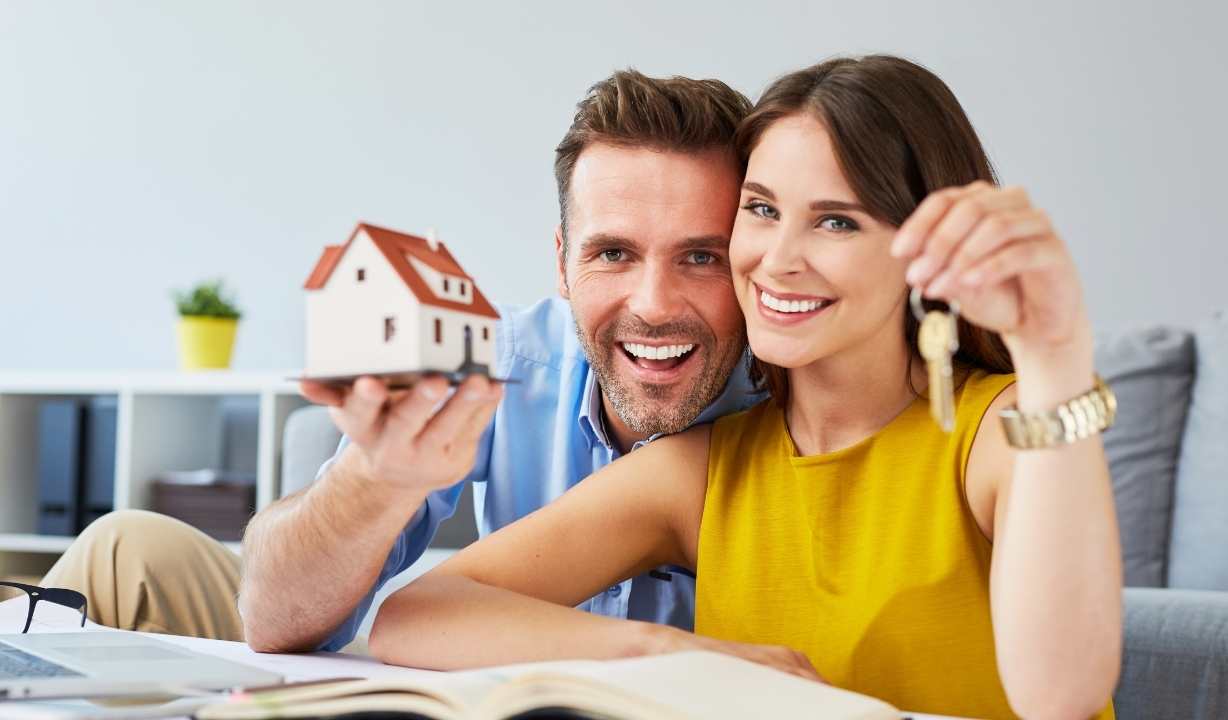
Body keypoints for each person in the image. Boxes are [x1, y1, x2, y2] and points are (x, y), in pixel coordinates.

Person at [367, 56, 1123, 720]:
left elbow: (1060, 694)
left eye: (836, 222)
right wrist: (667, 653)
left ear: (923, 247)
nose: (776, 258)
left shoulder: (1002, 431)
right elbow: (416, 616)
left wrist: (1053, 352)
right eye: (761, 210)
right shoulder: (703, 470)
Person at [39, 69, 765, 653]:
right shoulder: (501, 357)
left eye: (701, 257)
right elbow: (278, 619)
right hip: (439, 668)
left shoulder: (794, 395)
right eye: (613, 253)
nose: (654, 303)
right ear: (562, 264)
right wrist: (377, 478)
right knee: (122, 545)